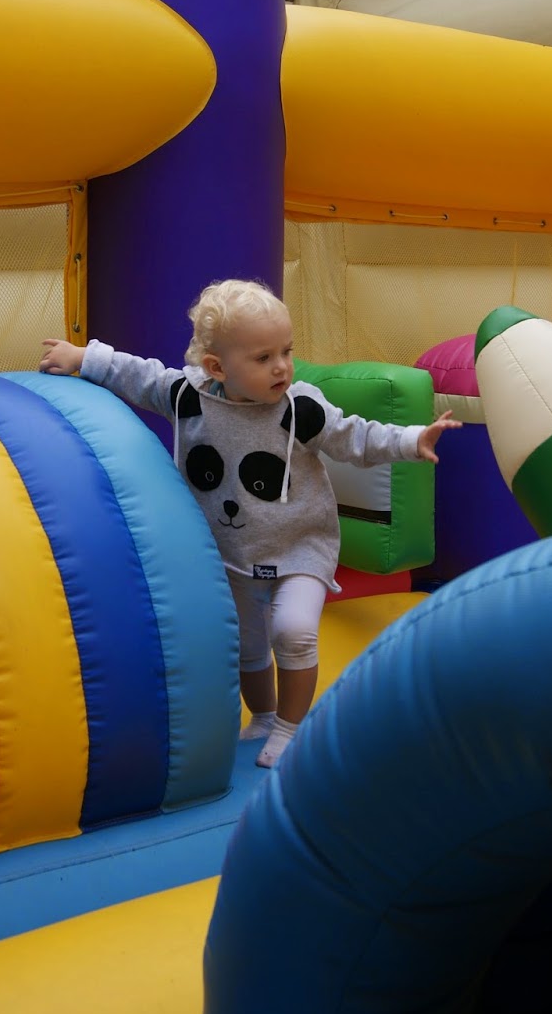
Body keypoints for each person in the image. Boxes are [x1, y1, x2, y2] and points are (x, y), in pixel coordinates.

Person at [40, 279, 460, 767]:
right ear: (217, 367)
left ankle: (290, 726)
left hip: (300, 546)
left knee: (294, 631)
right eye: (263, 358)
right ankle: (263, 716)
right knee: (247, 645)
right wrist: (83, 358)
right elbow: (140, 375)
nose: (281, 366)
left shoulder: (299, 408)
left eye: (286, 351)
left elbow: (355, 437)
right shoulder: (188, 397)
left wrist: (412, 440)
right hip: (231, 553)